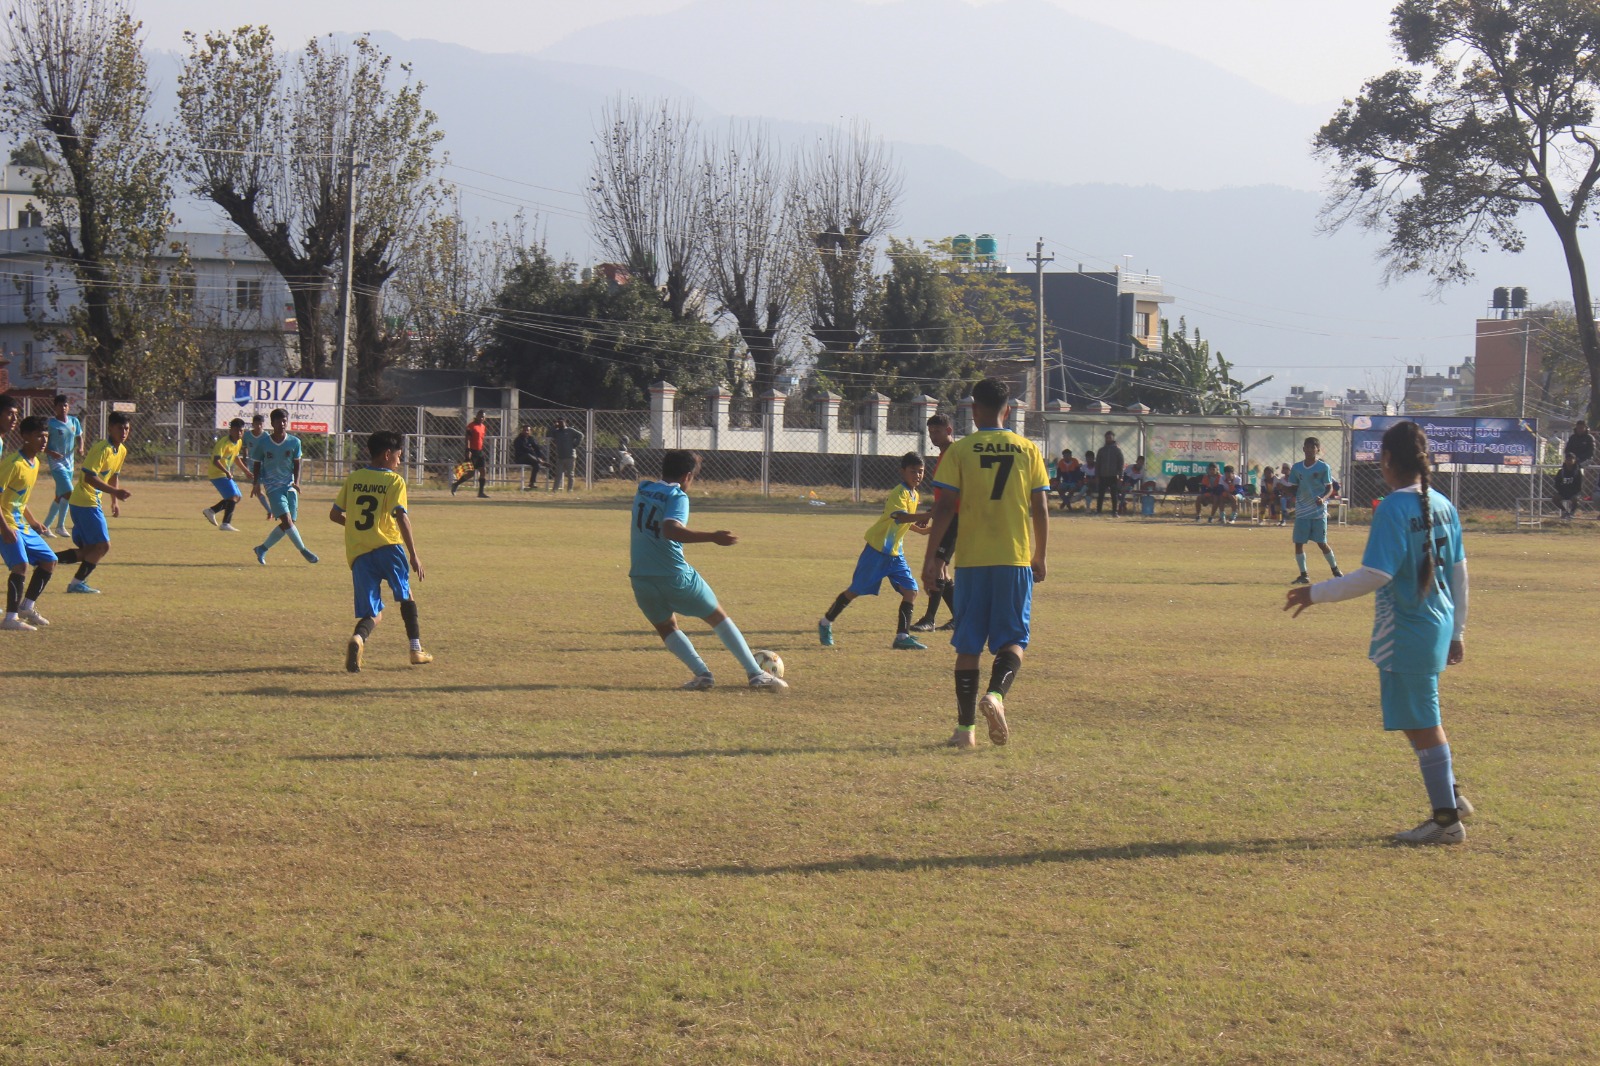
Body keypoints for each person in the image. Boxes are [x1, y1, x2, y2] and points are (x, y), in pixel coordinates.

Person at [1284, 420, 1473, 844]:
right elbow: (1460, 574)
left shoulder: (1392, 508)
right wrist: (1457, 631)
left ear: (1387, 459)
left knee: (1423, 721)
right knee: (1416, 717)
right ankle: (1452, 798)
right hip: (1435, 624)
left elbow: (1375, 574)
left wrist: (1316, 593)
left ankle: (1446, 822)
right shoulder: (1442, 503)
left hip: (1408, 629)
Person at [921, 378, 1049, 749]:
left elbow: (945, 508)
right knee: (1014, 641)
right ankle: (995, 695)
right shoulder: (1028, 449)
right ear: (1007, 410)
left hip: (972, 563)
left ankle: (965, 732)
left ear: (973, 410)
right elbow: (1040, 506)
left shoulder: (960, 451)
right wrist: (1040, 555)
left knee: (968, 646)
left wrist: (931, 559)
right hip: (1014, 559)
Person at [629, 449, 786, 690]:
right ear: (687, 476)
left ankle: (702, 674)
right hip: (675, 574)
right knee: (717, 616)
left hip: (641, 576)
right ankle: (756, 673)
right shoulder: (677, 496)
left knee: (666, 627)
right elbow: (670, 529)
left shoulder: (643, 488)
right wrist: (713, 537)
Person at [331, 430, 432, 671]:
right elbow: (401, 517)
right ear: (387, 454)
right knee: (406, 595)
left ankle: (358, 638)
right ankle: (415, 649)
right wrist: (413, 554)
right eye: (399, 455)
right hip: (389, 548)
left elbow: (335, 514)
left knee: (374, 612)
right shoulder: (394, 481)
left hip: (360, 554)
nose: (399, 460)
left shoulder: (354, 478)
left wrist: (357, 529)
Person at [818, 452, 931, 651]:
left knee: (911, 591)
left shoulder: (914, 494)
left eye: (921, 471)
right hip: (877, 551)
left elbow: (901, 521)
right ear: (903, 471)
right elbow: (899, 517)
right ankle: (825, 622)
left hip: (896, 554)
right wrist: (925, 515)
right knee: (854, 591)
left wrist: (922, 530)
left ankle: (902, 637)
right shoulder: (899, 492)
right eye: (913, 471)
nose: (918, 475)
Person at [51, 411, 131, 595]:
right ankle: (75, 583)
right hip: (85, 501)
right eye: (120, 428)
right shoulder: (102, 449)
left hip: (88, 502)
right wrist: (115, 492)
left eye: (126, 428)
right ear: (110, 428)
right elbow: (89, 477)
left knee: (89, 550)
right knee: (103, 546)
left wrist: (114, 501)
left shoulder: (121, 450)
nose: (124, 432)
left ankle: (45, 560)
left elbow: (113, 476)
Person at [0, 415, 57, 630]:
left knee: (49, 560)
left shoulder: (35, 463)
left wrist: (33, 521)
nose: (44, 440)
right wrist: (5, 528)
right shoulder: (13, 464)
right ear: (25, 436)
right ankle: (10, 618)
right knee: (20, 566)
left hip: (20, 524)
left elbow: (19, 499)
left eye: (46, 436)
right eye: (38, 436)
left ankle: (27, 607)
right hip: (5, 523)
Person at [250, 408, 318, 566]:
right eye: (279, 421)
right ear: (272, 423)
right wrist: (256, 483)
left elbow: (297, 463)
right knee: (287, 520)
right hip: (272, 486)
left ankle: (262, 549)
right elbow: (257, 463)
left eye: (284, 421)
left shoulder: (294, 442)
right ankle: (303, 550)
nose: (282, 423)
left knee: (290, 522)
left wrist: (296, 482)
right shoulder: (264, 443)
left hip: (289, 486)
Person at [912, 413, 959, 633]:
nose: (933, 436)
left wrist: (934, 514)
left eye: (937, 431)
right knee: (944, 571)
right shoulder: (944, 455)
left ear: (949, 431)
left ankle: (929, 619)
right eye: (930, 432)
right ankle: (959, 617)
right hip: (946, 516)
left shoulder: (955, 454)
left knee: (938, 565)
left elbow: (954, 495)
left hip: (955, 517)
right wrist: (930, 513)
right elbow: (943, 495)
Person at [1288, 436, 1343, 584]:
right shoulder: (1297, 468)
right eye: (1307, 447)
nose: (1309, 450)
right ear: (1303, 449)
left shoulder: (1323, 467)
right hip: (1302, 511)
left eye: (1313, 447)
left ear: (1318, 450)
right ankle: (1304, 575)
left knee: (1321, 543)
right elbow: (1293, 487)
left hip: (1318, 512)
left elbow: (1329, 487)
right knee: (1299, 543)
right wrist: (1288, 493)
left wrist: (1323, 499)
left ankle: (1336, 571)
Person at [41, 394, 83, 537]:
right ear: (55, 408)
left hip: (69, 462)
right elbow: (42, 445)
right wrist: (51, 452)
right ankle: (60, 526)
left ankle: (46, 527)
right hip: (56, 463)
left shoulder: (74, 421)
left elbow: (79, 437)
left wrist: (81, 448)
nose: (63, 408)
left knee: (60, 496)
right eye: (60, 405)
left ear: (68, 407)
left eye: (65, 405)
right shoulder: (51, 424)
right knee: (69, 492)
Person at [203, 418, 252, 532]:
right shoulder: (224, 442)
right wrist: (227, 472)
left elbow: (236, 458)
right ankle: (225, 523)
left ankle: (211, 511)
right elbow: (216, 461)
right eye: (236, 430)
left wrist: (246, 471)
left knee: (237, 497)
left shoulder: (239, 442)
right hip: (217, 473)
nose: (239, 433)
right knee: (233, 496)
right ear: (231, 430)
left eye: (241, 431)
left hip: (224, 473)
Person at [451, 410, 489, 497]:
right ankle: (455, 484)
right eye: (480, 416)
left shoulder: (483, 427)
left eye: (483, 417)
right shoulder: (471, 426)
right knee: (470, 473)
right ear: (477, 416)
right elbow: (468, 438)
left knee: (483, 471)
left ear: (484, 418)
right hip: (472, 451)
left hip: (480, 451)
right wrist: (468, 450)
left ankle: (481, 493)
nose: (481, 418)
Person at [245, 414, 271, 515]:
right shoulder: (247, 435)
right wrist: (245, 463)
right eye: (256, 424)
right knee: (257, 489)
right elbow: (244, 448)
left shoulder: (266, 436)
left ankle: (276, 509)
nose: (259, 426)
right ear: (253, 424)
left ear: (263, 424)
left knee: (269, 488)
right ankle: (269, 511)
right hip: (253, 466)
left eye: (260, 424)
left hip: (265, 465)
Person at [1095, 430, 1125, 515]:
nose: (1108, 439)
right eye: (1107, 438)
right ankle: (1098, 511)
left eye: (1110, 438)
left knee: (1114, 495)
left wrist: (1120, 476)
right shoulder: (1101, 450)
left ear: (1113, 438)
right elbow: (1097, 464)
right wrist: (1097, 475)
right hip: (1103, 476)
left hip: (1113, 476)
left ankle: (1114, 511)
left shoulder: (1117, 450)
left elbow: (1121, 463)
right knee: (1101, 494)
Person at [550, 418, 584, 491]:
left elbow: (581, 435)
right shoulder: (557, 432)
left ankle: (569, 490)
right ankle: (555, 490)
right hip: (560, 456)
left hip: (570, 456)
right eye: (558, 422)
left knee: (570, 474)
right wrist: (554, 426)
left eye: (562, 422)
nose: (560, 424)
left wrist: (575, 444)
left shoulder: (570, 430)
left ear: (565, 422)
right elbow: (549, 434)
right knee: (558, 474)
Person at [512, 425, 544, 490]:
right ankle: (541, 462)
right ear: (522, 431)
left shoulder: (531, 438)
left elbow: (537, 448)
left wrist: (540, 456)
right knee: (527, 455)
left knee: (537, 465)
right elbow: (525, 450)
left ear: (530, 431)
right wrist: (536, 456)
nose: (526, 432)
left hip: (531, 459)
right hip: (520, 458)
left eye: (527, 430)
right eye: (525, 430)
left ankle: (532, 483)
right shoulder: (518, 440)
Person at [1554, 450, 1582, 520]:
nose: (1569, 461)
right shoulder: (1561, 471)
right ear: (1565, 460)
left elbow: (1579, 484)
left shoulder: (1577, 472)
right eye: (1568, 459)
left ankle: (1572, 513)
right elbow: (1557, 483)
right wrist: (1561, 491)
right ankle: (1564, 511)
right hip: (1563, 492)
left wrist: (1575, 492)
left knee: (1575, 499)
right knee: (1555, 498)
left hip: (1574, 493)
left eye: (1571, 459)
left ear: (1574, 460)